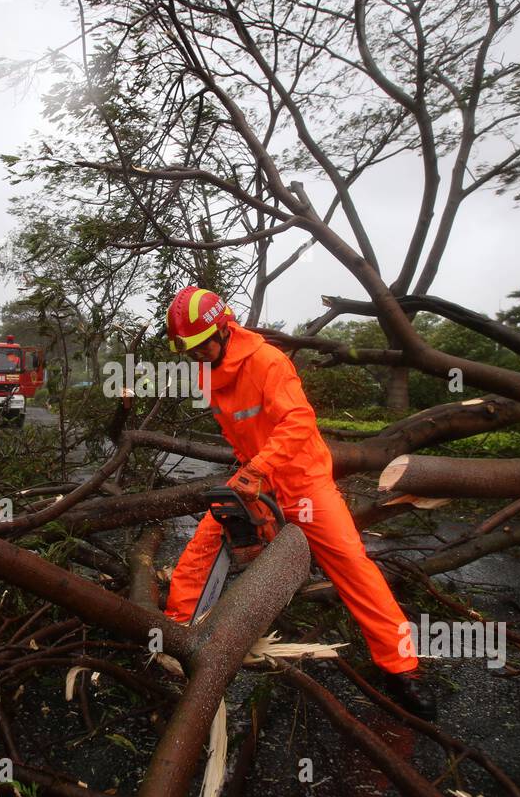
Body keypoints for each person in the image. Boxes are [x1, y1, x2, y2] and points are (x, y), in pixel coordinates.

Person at [164, 285, 437, 719]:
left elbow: (298, 421)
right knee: (204, 545)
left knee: (351, 564)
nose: (196, 357)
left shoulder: (268, 362)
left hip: (303, 479)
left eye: (201, 347)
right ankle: (176, 637)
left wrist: (259, 470)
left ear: (223, 328)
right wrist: (249, 477)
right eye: (190, 351)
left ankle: (401, 667)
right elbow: (240, 433)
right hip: (258, 478)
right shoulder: (206, 373)